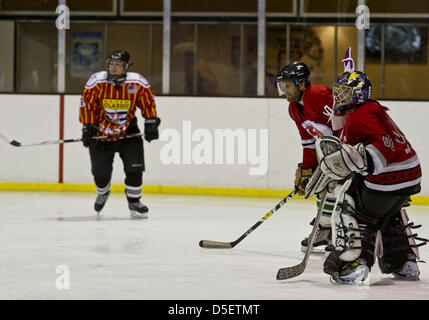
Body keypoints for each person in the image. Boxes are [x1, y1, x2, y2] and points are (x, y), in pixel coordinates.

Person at [305, 70, 427, 284]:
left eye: (344, 92)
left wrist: (345, 165)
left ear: (358, 94)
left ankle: (355, 264)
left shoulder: (362, 114)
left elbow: (382, 150)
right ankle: (403, 261)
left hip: (390, 176)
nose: (338, 97)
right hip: (410, 174)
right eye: (338, 92)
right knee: (387, 214)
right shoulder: (370, 109)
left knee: (352, 207)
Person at [79, 50, 161, 219]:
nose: (113, 68)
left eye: (118, 65)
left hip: (128, 134)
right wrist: (88, 126)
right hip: (102, 135)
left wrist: (151, 121)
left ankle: (134, 201)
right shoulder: (97, 82)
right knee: (101, 175)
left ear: (126, 67)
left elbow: (147, 102)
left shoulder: (137, 82)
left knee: (135, 170)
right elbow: (87, 104)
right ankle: (103, 192)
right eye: (111, 64)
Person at [276, 61, 337, 253]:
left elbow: (343, 121)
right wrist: (308, 169)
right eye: (282, 86)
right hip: (332, 155)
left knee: (340, 191)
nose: (284, 90)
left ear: (301, 83)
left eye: (287, 85)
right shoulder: (294, 108)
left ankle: (343, 233)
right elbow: (309, 142)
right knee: (321, 184)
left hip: (350, 152)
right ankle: (326, 231)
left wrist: (345, 156)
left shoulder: (319, 94)